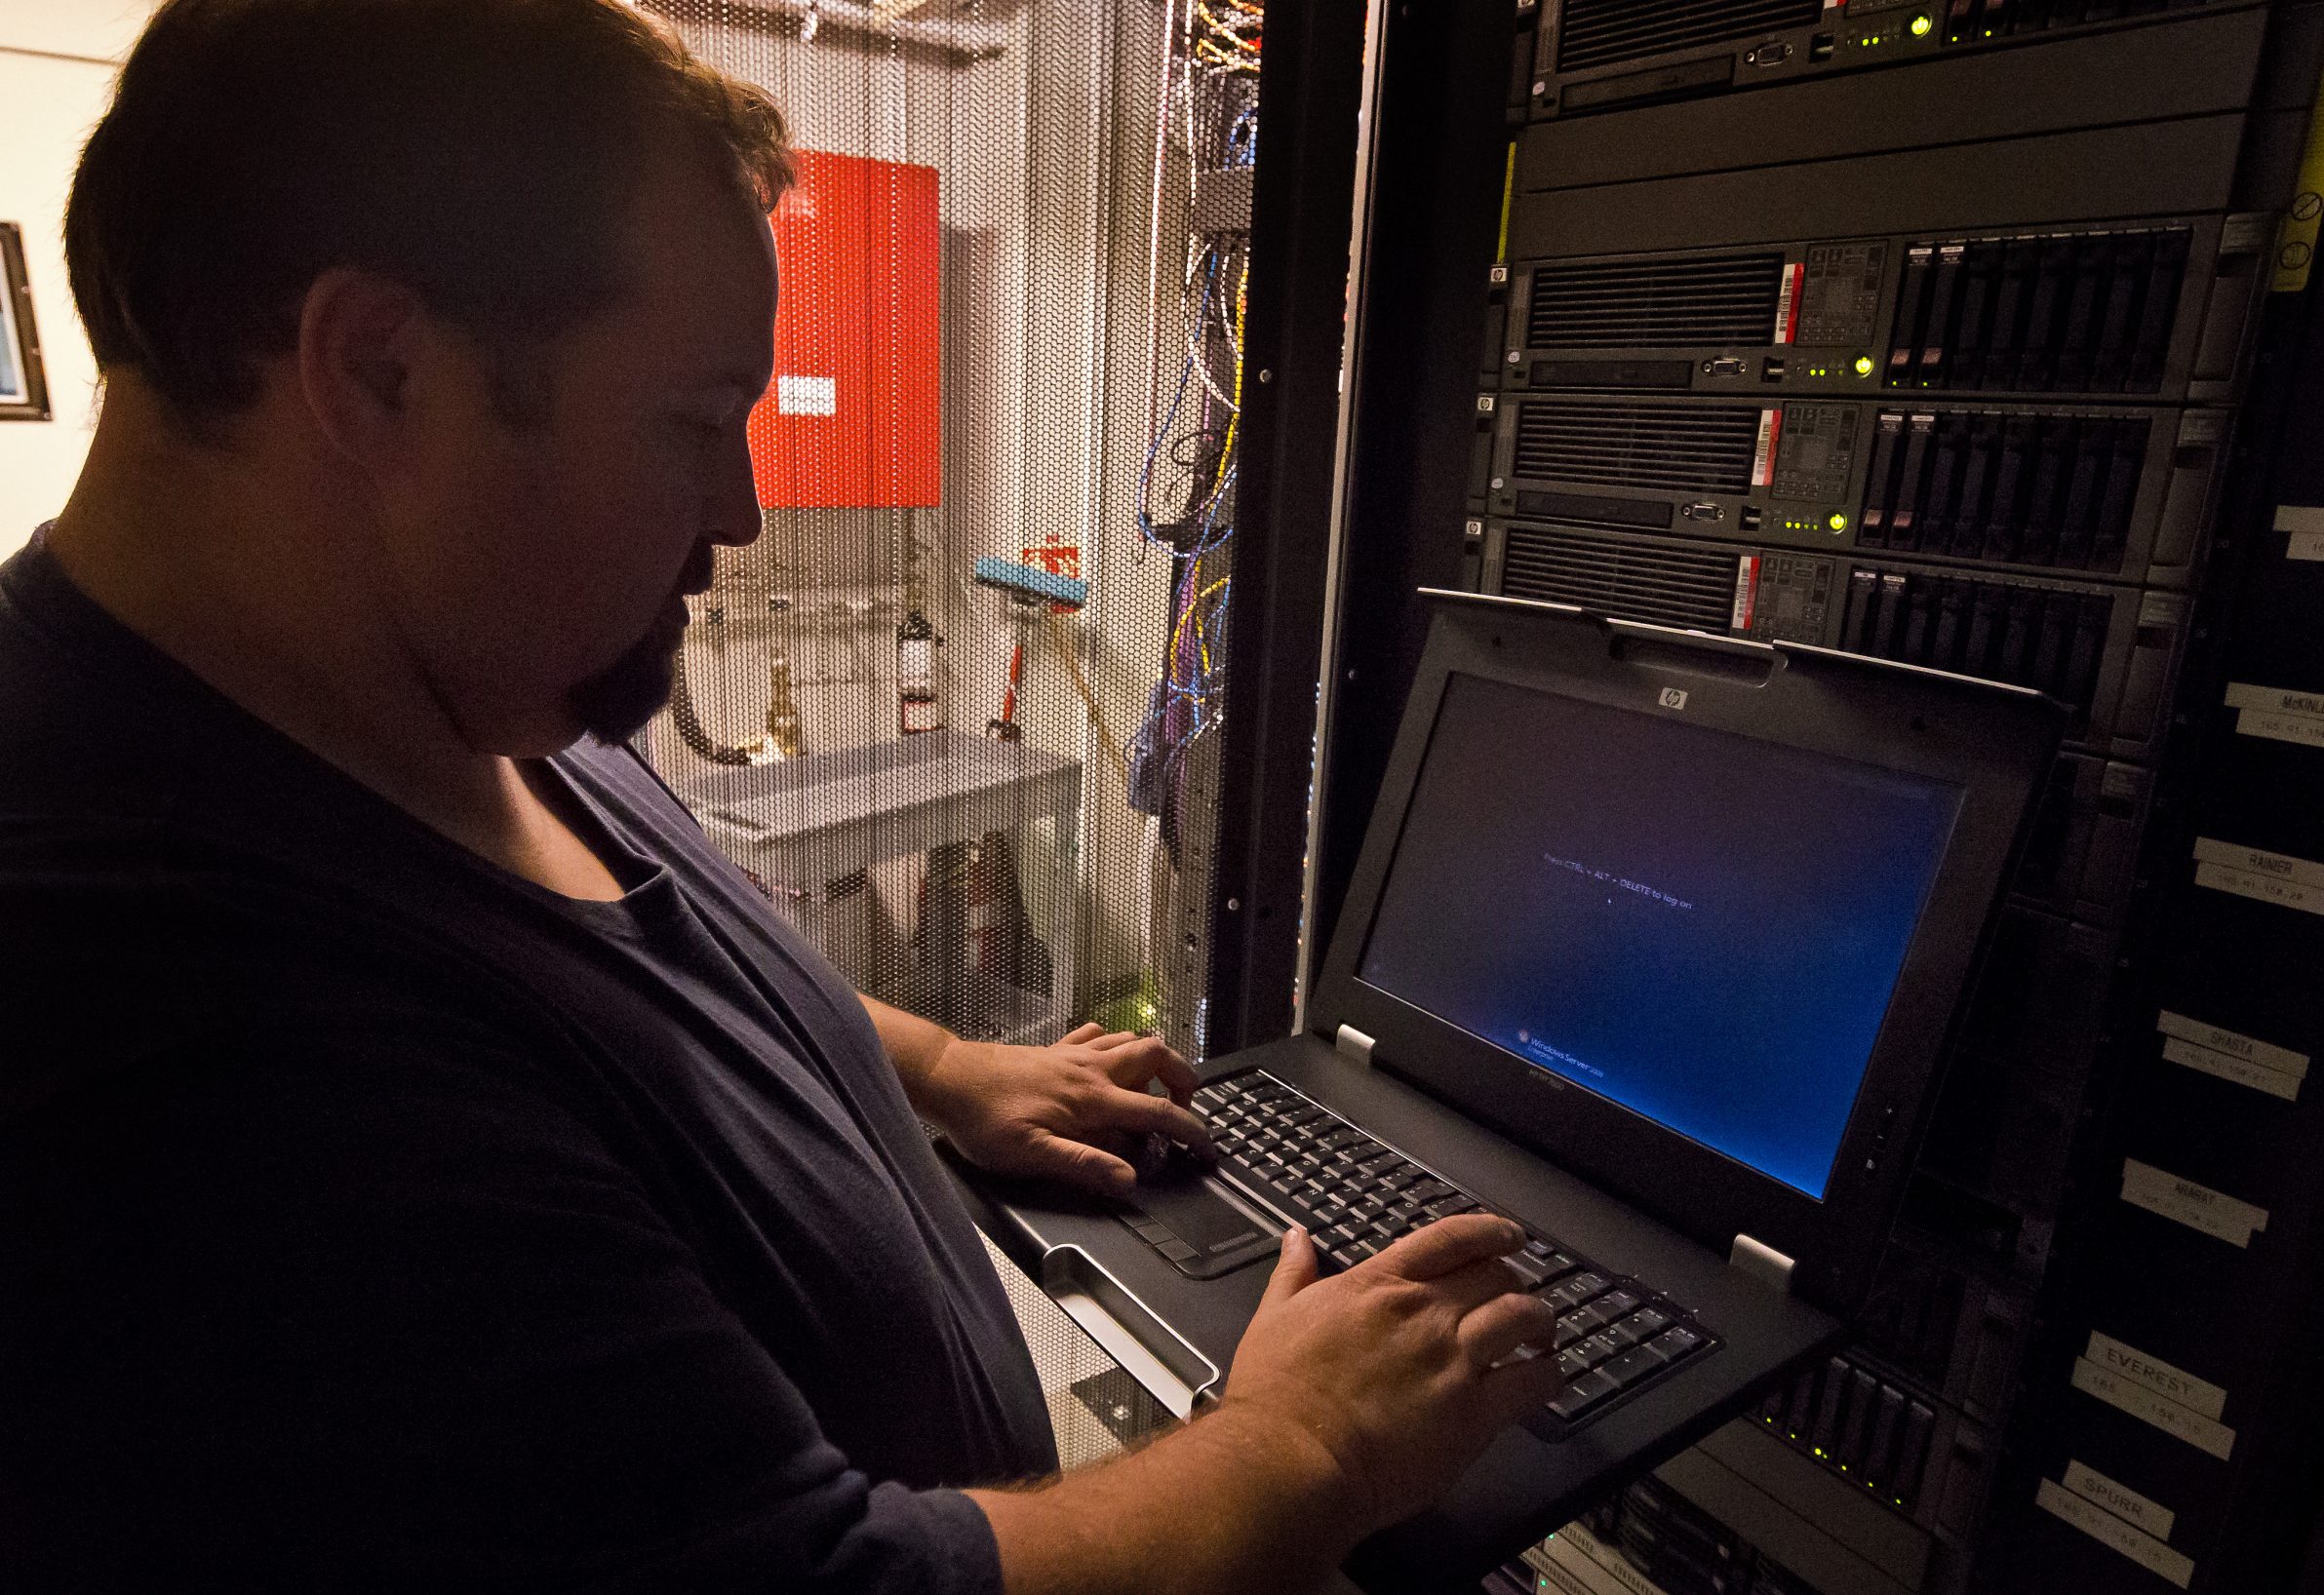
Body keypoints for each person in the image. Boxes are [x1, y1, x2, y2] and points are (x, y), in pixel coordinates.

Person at [0, 0, 1560, 1590]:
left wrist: (942, 1069)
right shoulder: (161, 1031)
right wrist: (1307, 1446)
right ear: (381, 369)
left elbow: (630, 980)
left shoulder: (425, 673)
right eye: (695, 423)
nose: (741, 512)